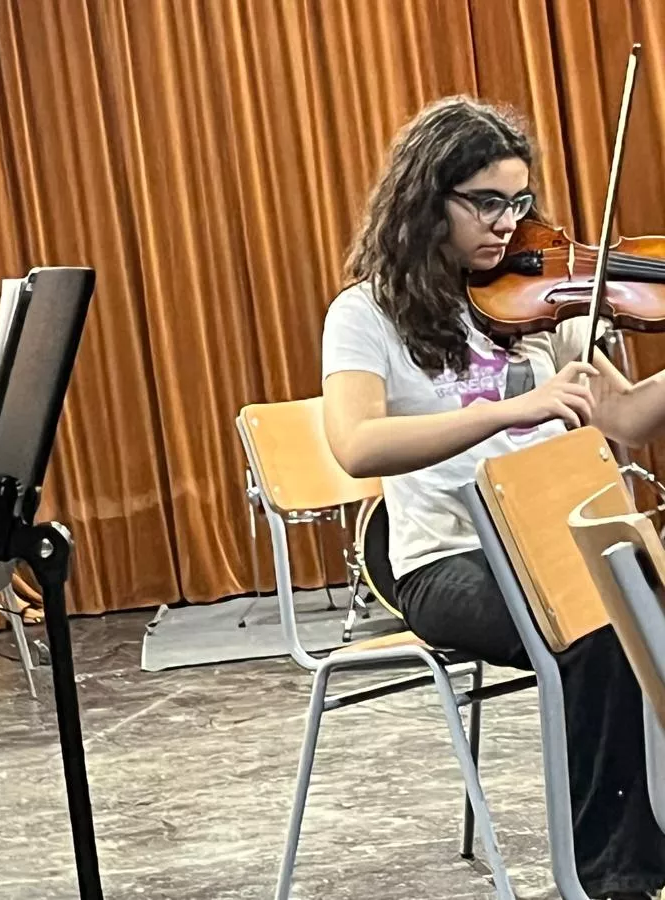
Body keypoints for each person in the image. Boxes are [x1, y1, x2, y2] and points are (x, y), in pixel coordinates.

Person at [322, 95, 665, 899]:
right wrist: (508, 411)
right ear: (425, 199)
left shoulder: (542, 298)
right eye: (485, 203)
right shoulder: (366, 313)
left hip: (559, 541)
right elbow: (356, 443)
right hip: (445, 560)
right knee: (604, 631)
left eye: (518, 201)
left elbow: (626, 419)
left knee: (636, 612)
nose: (508, 224)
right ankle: (613, 882)